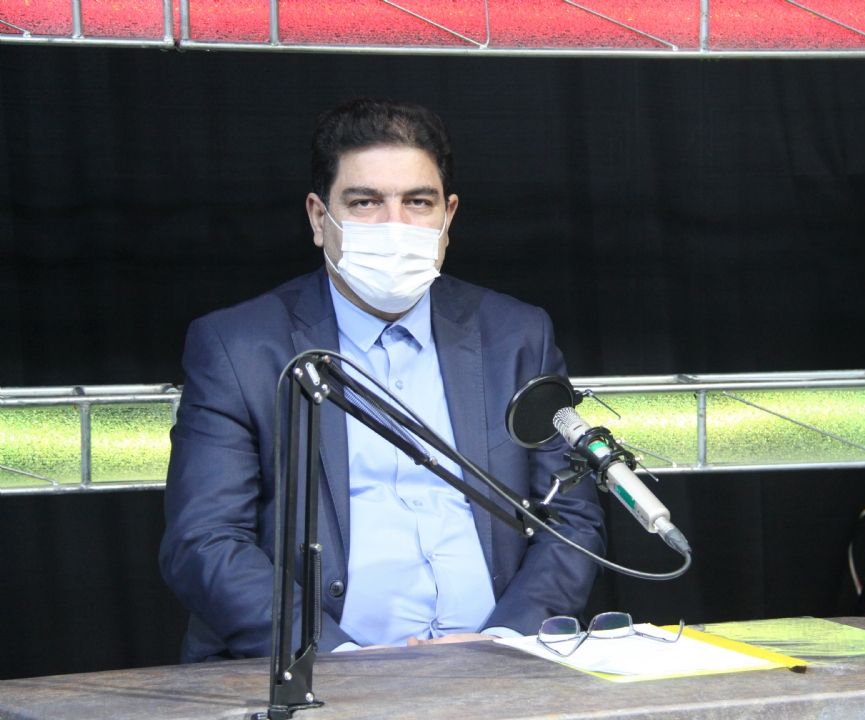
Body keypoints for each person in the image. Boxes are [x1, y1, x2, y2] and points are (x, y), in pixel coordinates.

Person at [159, 97, 605, 662]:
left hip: (500, 665)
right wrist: (340, 661)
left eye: (418, 202)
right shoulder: (239, 347)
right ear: (319, 218)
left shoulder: (516, 335)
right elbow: (205, 541)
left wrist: (505, 643)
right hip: (323, 670)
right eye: (365, 202)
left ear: (448, 217)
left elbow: (571, 518)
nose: (396, 225)